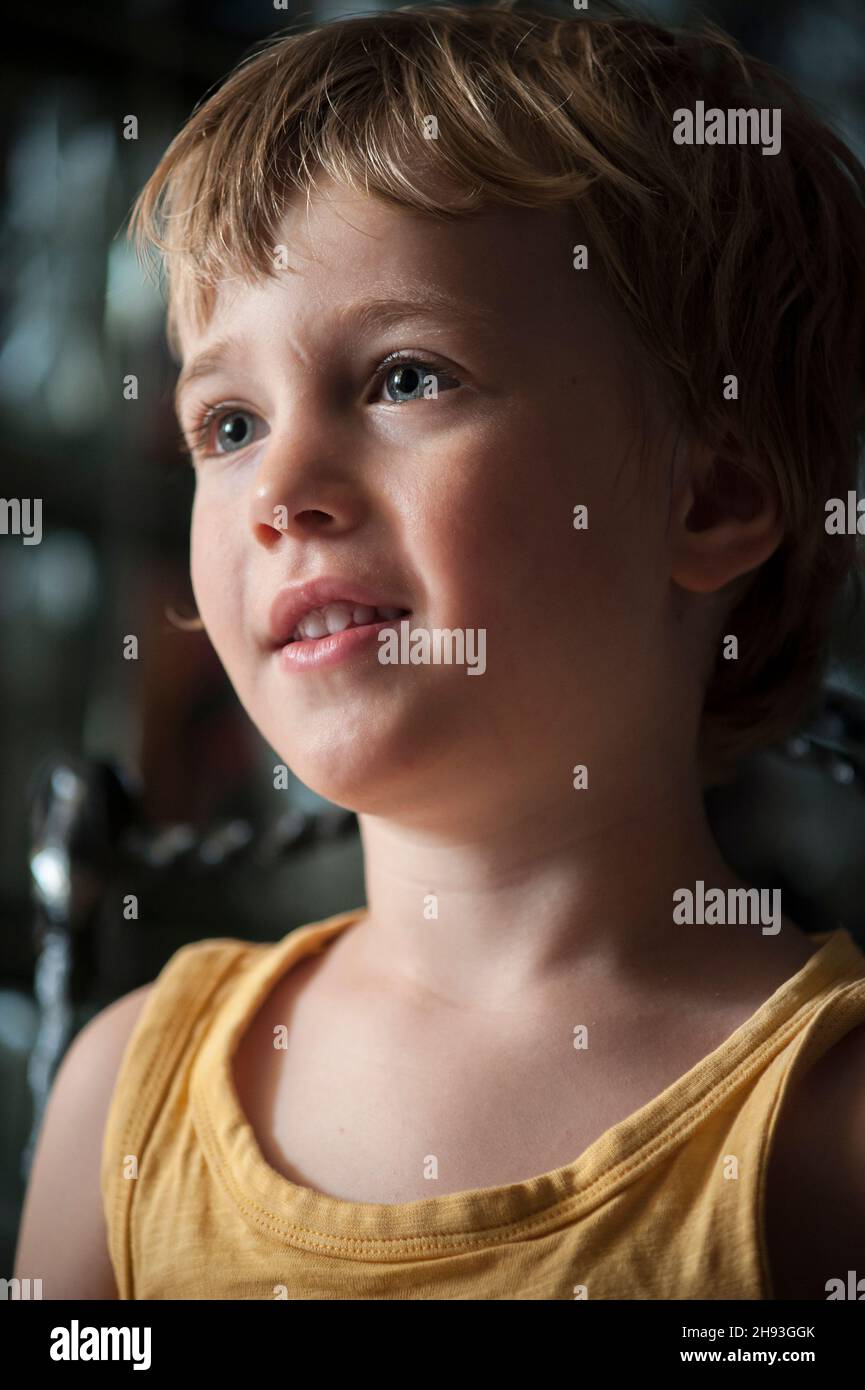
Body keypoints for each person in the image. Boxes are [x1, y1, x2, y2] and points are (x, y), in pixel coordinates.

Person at [14, 0, 865, 1300]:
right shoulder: (128, 1088)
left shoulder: (827, 1127)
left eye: (406, 379)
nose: (278, 486)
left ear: (707, 498)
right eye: (228, 421)